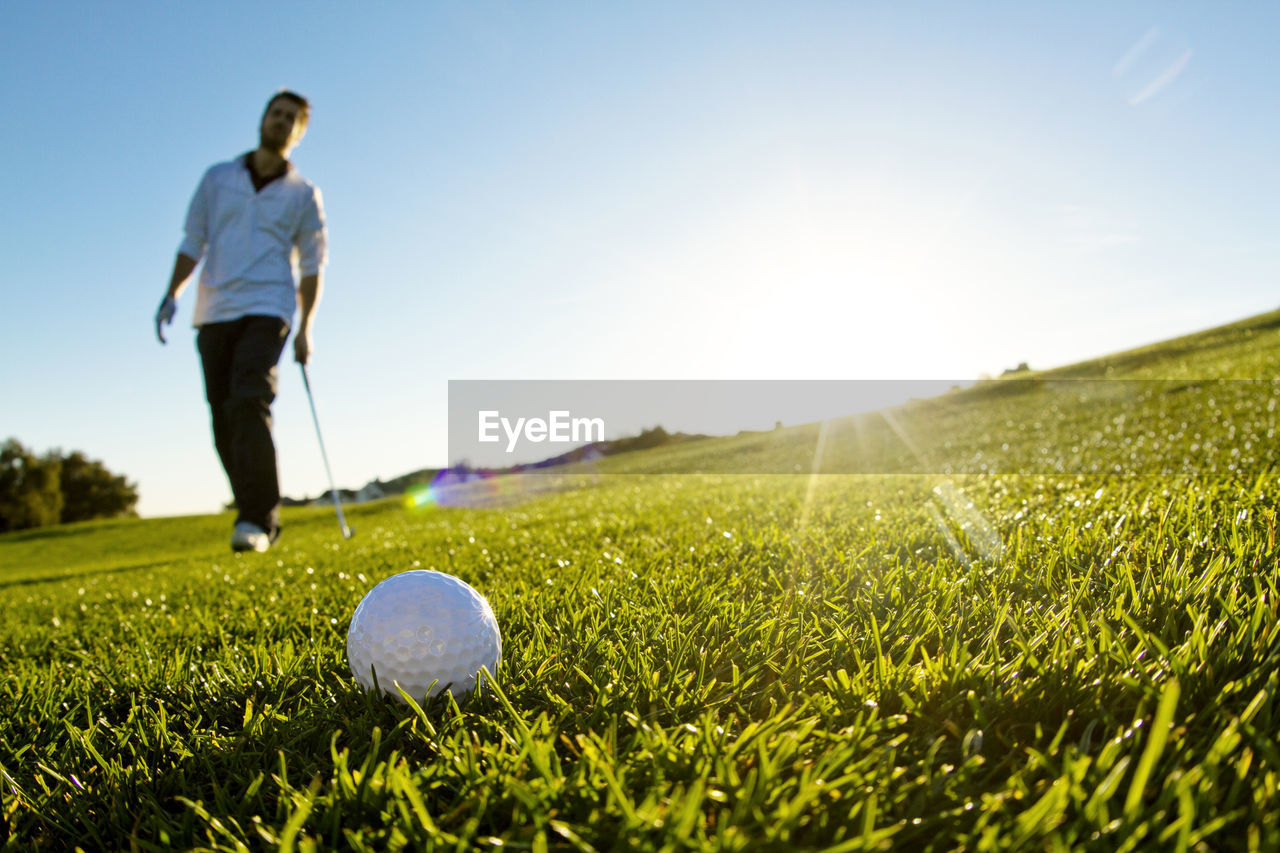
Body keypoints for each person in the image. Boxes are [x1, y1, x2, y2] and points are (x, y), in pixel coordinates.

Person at [155, 90, 328, 553]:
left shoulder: (303, 194)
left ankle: (258, 518)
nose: (281, 122)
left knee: (249, 398)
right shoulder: (218, 178)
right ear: (263, 119)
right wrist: (172, 292)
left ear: (300, 132)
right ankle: (249, 506)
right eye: (277, 114)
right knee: (224, 416)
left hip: (268, 308)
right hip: (213, 311)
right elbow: (194, 240)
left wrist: (306, 327)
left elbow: (312, 266)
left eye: (292, 119)